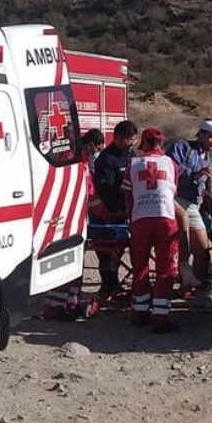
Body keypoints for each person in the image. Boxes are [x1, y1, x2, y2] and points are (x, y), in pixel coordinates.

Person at [121, 128, 183, 333]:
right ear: (160, 144)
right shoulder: (171, 164)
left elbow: (128, 196)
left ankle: (139, 313)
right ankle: (160, 317)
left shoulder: (133, 164)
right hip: (166, 218)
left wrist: (131, 218)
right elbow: (173, 191)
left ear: (145, 144)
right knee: (166, 269)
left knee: (140, 267)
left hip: (140, 219)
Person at [44, 129, 107, 319]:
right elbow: (91, 196)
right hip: (71, 220)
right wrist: (107, 214)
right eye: (97, 149)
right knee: (68, 262)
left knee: (72, 263)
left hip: (59, 218)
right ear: (89, 145)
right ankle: (55, 306)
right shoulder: (79, 165)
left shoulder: (64, 157)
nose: (97, 153)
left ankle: (70, 302)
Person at [166, 119, 212, 287]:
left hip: (194, 203)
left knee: (202, 249)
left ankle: (195, 285)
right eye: (211, 137)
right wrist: (193, 175)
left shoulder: (207, 159)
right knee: (189, 243)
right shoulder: (183, 147)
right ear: (201, 134)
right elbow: (170, 168)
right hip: (178, 198)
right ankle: (186, 276)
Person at [92, 120, 138, 298]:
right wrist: (117, 209)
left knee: (119, 253)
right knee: (107, 254)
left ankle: (114, 286)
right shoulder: (106, 159)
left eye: (134, 139)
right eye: (129, 139)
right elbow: (105, 189)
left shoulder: (131, 155)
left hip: (128, 211)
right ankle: (108, 287)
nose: (132, 143)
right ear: (118, 138)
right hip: (108, 214)